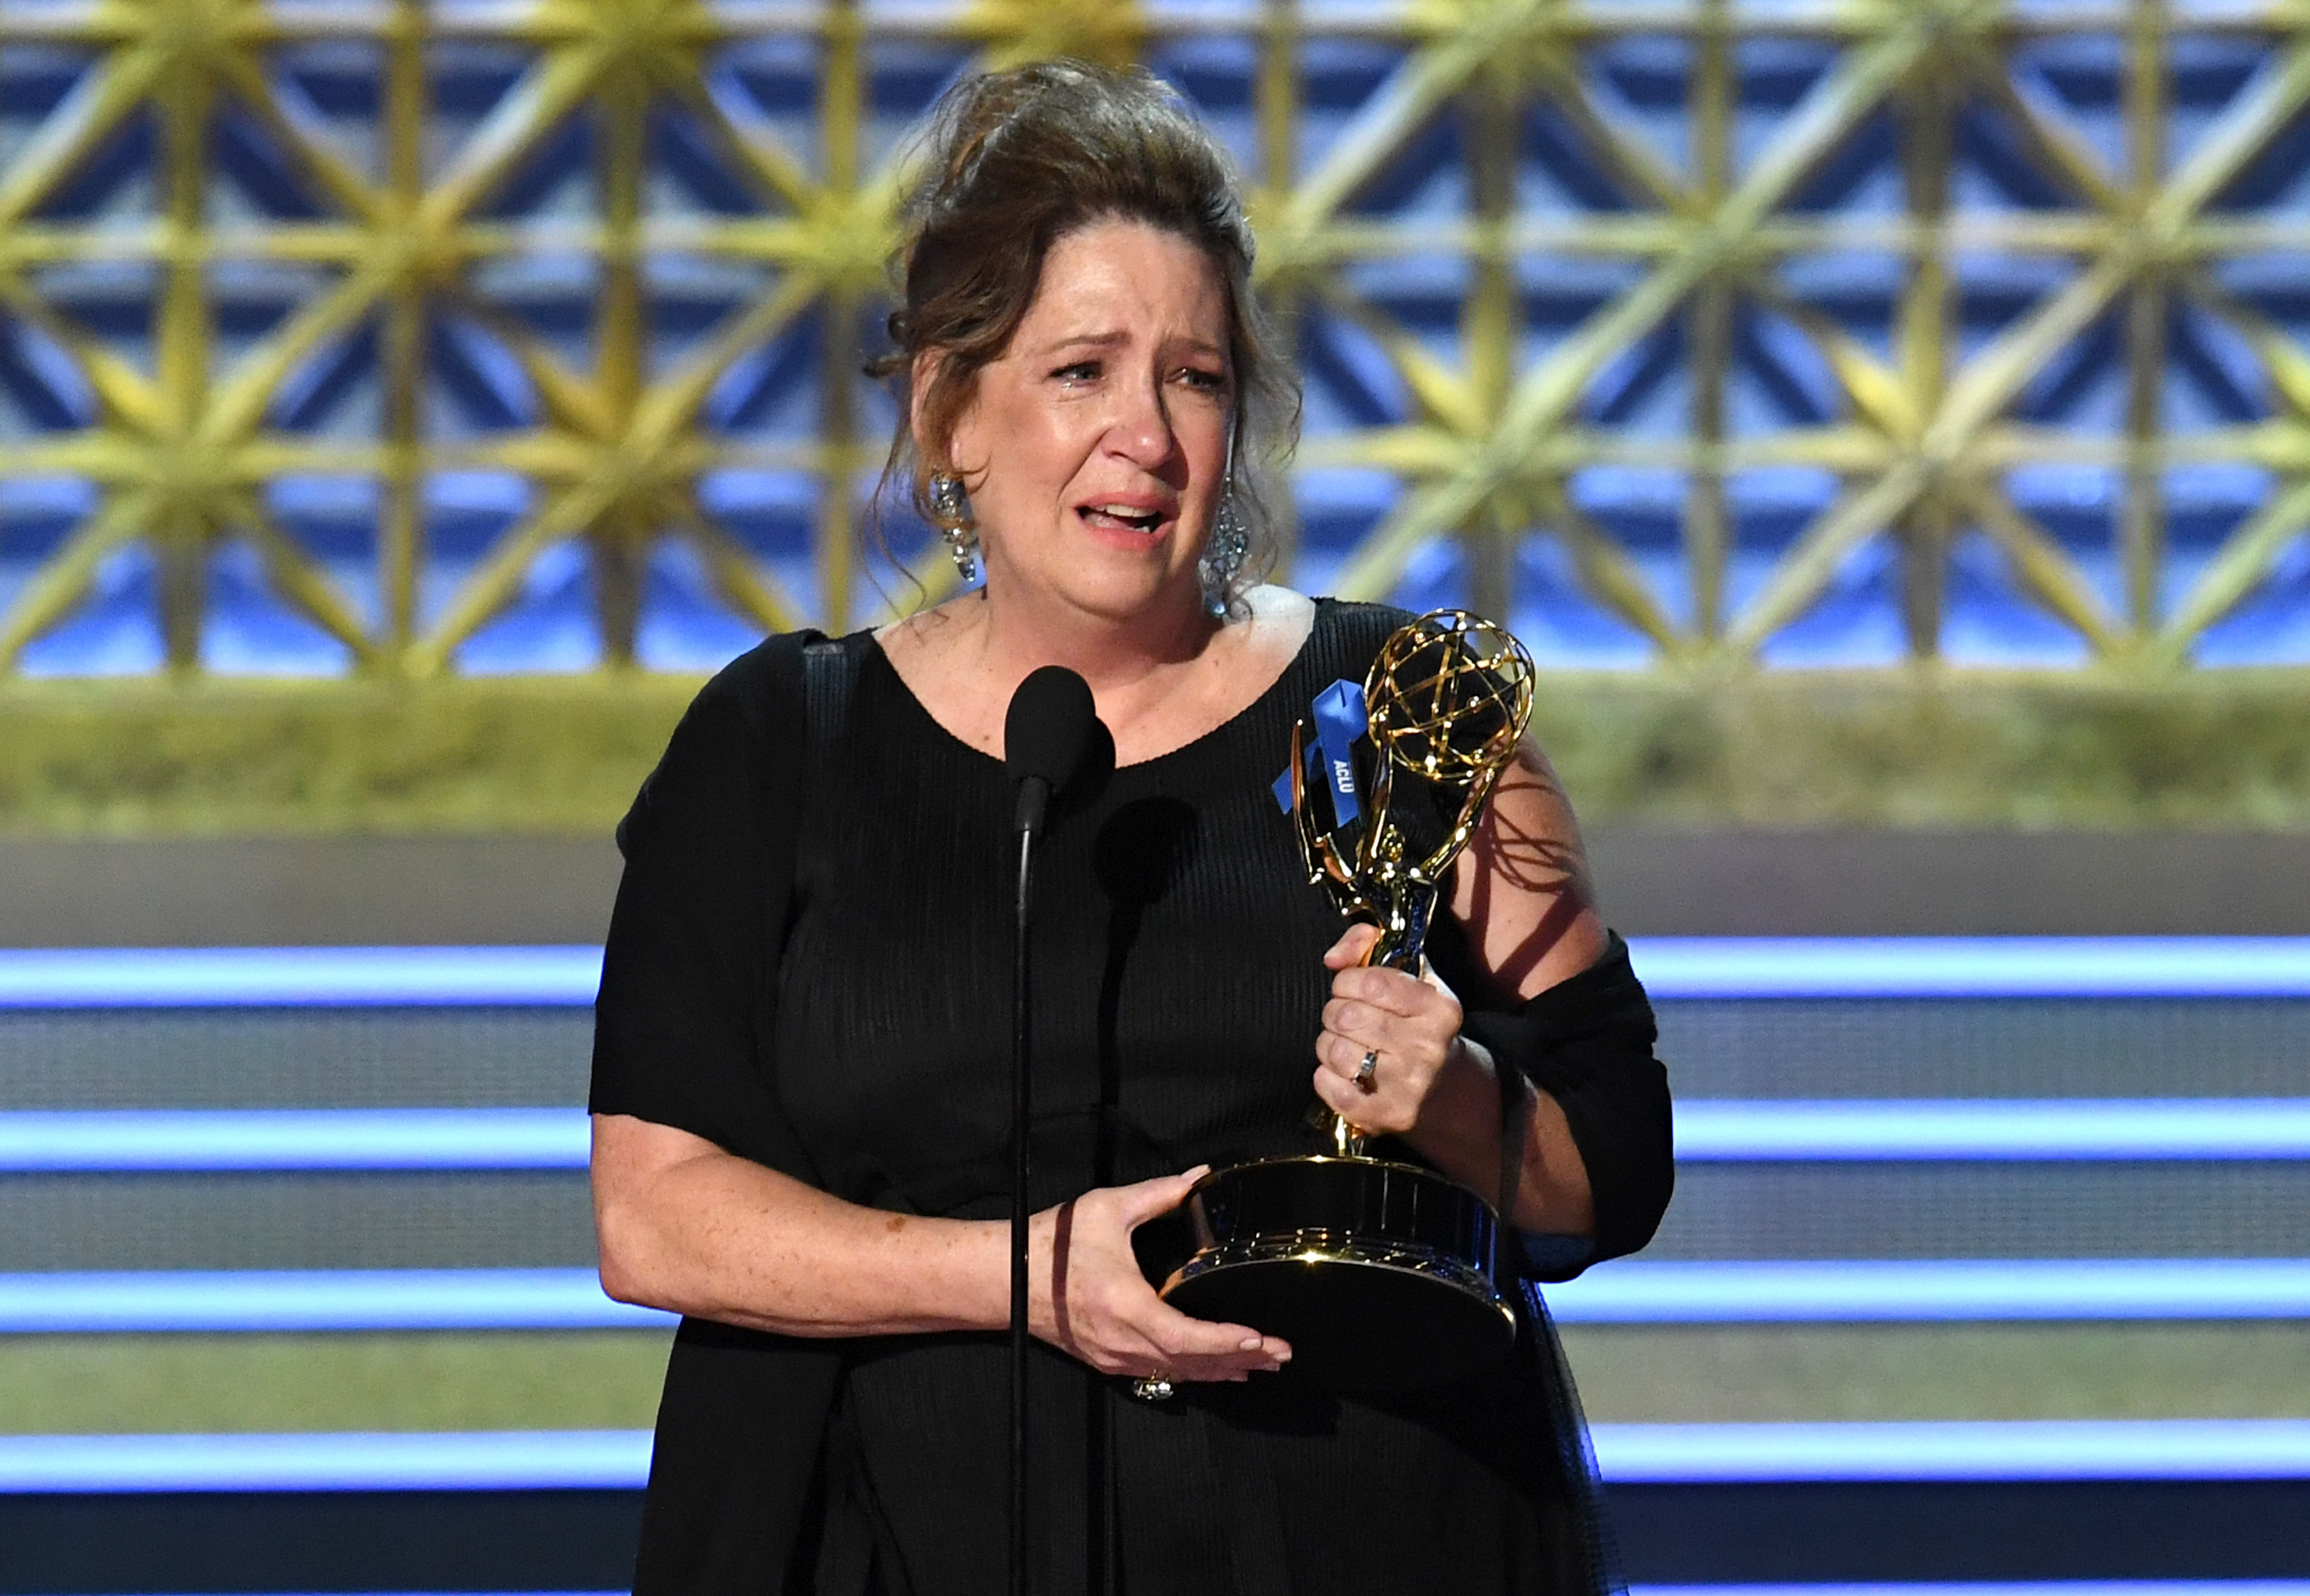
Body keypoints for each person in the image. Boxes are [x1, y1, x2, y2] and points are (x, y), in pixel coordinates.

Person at [588, 60, 1673, 1596]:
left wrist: (1458, 1101)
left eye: (1196, 376)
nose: (1147, 436)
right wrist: (1030, 1275)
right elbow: (656, 1216)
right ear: (949, 411)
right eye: (1080, 370)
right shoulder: (776, 745)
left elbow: (1612, 1171)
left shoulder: (1407, 710)